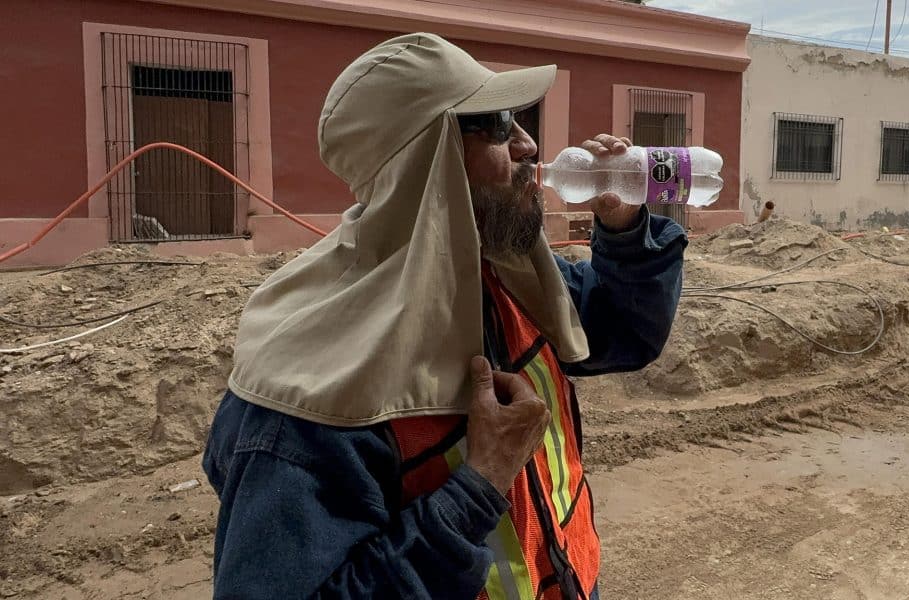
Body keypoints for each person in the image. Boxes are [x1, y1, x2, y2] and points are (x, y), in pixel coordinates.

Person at [202, 33, 686, 600]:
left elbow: (624, 332)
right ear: (427, 161)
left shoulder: (501, 279)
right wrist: (477, 488)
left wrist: (626, 231)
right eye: (500, 125)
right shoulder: (303, 396)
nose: (530, 146)